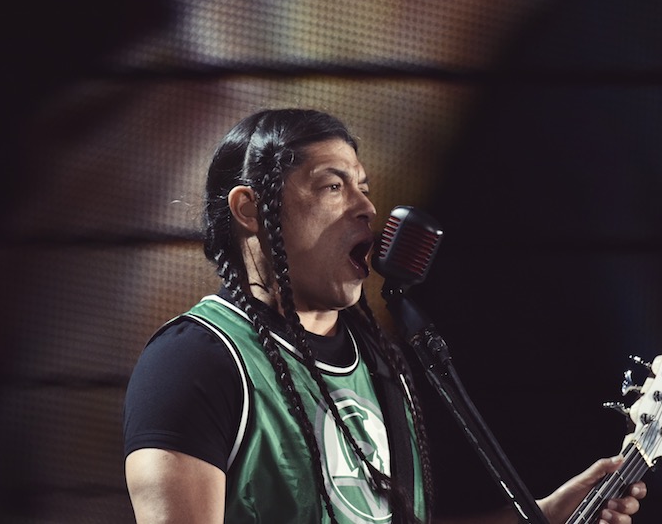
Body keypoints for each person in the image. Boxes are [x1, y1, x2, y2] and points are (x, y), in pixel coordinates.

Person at [122, 108, 646, 523]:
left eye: (363, 187)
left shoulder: (381, 365)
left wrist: (543, 515)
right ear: (251, 209)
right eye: (333, 186)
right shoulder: (193, 362)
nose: (367, 208)